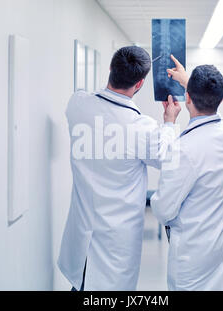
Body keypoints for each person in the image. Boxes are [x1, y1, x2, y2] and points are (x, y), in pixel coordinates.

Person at [58, 46, 181, 291]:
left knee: (81, 286)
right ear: (140, 84)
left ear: (111, 69)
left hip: (81, 236)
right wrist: (169, 122)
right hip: (116, 241)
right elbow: (169, 158)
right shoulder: (141, 128)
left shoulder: (77, 106)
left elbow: (91, 99)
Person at [151, 55, 223, 291]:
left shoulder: (184, 150)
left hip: (193, 256)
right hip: (222, 249)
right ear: (220, 98)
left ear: (188, 98)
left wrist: (169, 124)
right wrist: (189, 84)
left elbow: (162, 209)